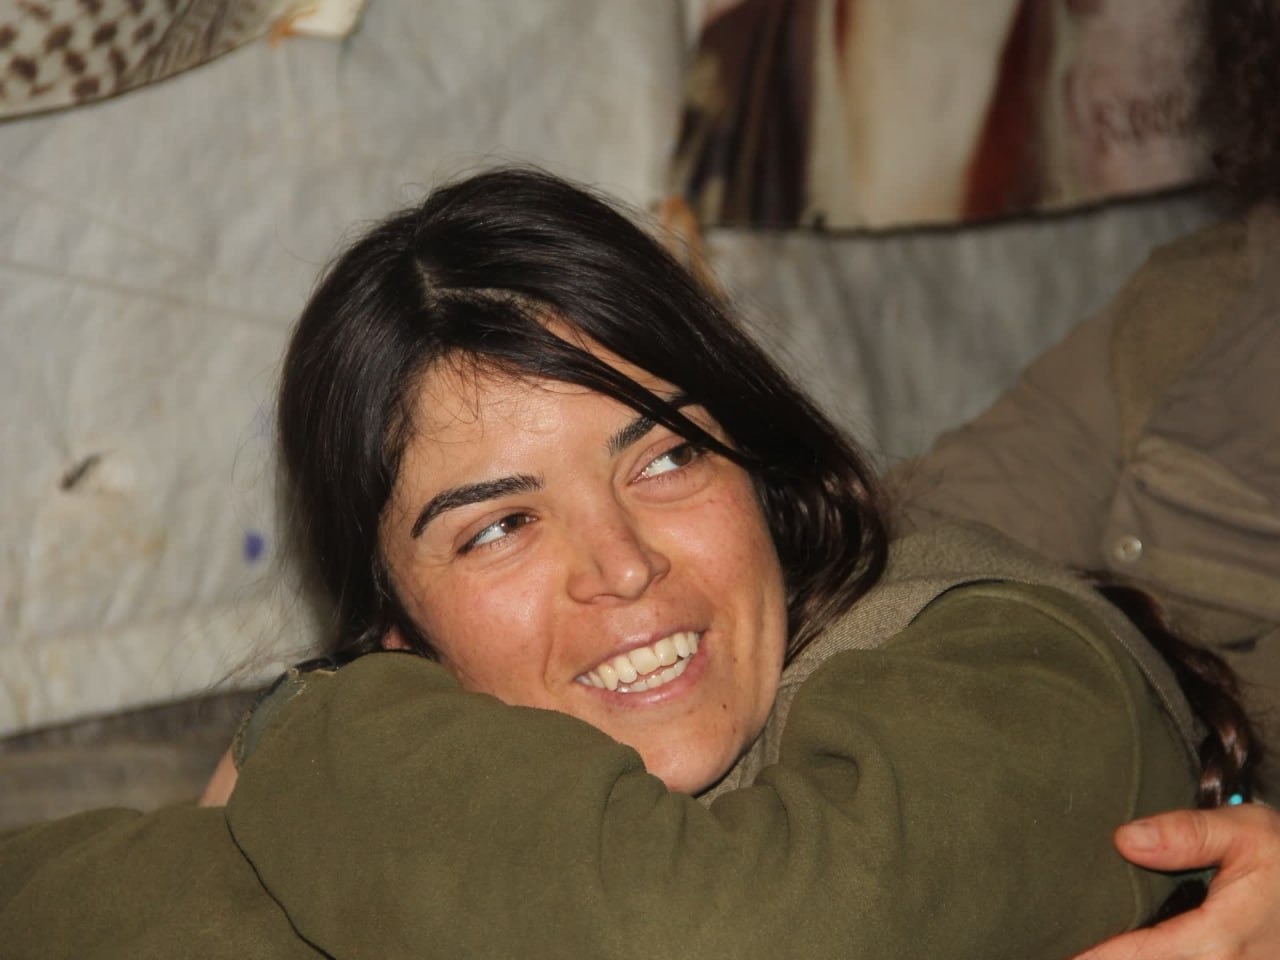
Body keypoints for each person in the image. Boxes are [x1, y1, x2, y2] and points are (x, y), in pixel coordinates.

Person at [0, 166, 1258, 958]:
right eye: (498, 526)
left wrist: (315, 725)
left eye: (664, 459)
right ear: (403, 627)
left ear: (758, 467)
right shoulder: (450, 817)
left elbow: (726, 934)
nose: (618, 566)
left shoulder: (1010, 666)